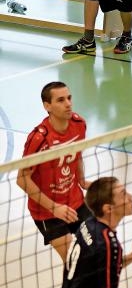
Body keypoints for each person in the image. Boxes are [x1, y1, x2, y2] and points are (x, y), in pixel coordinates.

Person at [16, 82, 91, 262]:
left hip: (75, 201)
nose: (68, 104)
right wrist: (54, 207)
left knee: (97, 250)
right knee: (75, 262)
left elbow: (77, 152)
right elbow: (22, 179)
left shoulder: (79, 124)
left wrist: (81, 179)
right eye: (60, 100)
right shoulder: (39, 138)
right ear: (47, 106)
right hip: (47, 212)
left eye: (69, 98)